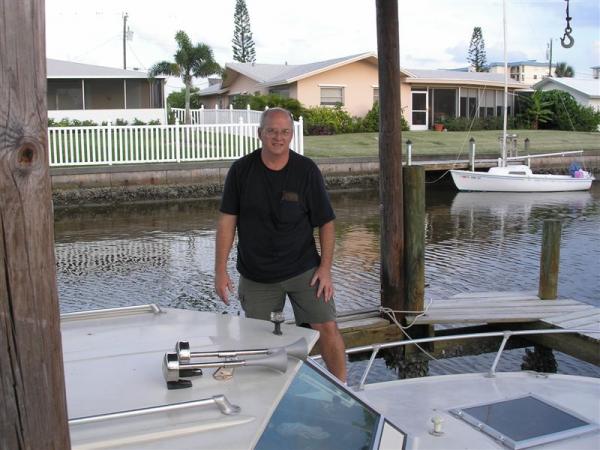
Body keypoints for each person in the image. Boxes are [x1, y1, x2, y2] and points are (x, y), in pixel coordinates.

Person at [214, 107, 347, 382]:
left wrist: (325, 269)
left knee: (327, 327)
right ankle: (267, 397)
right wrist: (220, 270)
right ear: (259, 133)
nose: (278, 137)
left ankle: (346, 389)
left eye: (284, 131)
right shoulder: (241, 171)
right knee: (259, 340)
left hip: (304, 270)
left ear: (292, 135)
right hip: (257, 276)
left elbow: (326, 223)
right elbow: (227, 221)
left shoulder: (306, 170)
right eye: (272, 131)